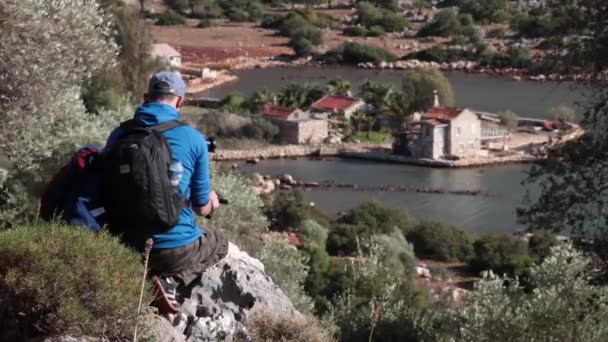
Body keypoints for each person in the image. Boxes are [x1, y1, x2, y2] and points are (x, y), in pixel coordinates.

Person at [105, 71, 228, 314]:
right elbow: (201, 205)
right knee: (219, 243)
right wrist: (213, 204)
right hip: (174, 251)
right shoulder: (193, 139)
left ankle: (148, 273)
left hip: (125, 245)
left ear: (145, 97)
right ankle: (172, 279)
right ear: (180, 101)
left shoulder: (118, 135)